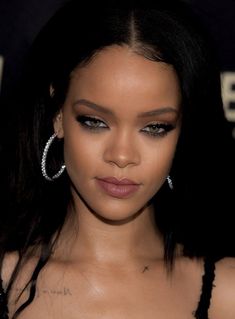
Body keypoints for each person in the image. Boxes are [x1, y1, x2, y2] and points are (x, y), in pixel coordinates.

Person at [0, 0, 235, 318]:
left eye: (155, 127)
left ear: (182, 132)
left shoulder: (227, 292)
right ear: (58, 115)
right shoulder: (5, 281)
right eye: (94, 121)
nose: (122, 156)